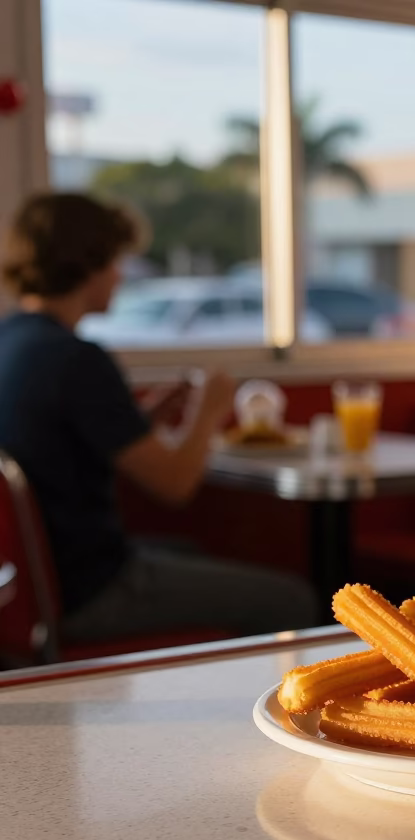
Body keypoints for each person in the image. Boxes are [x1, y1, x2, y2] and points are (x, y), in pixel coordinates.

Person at [0, 191, 317, 644]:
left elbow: (63, 446)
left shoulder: (13, 341)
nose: (119, 275)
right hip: (89, 589)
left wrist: (145, 416)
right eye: (115, 261)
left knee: (190, 551)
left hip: (30, 589)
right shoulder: (77, 359)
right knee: (293, 600)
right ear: (87, 263)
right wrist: (209, 411)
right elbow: (175, 485)